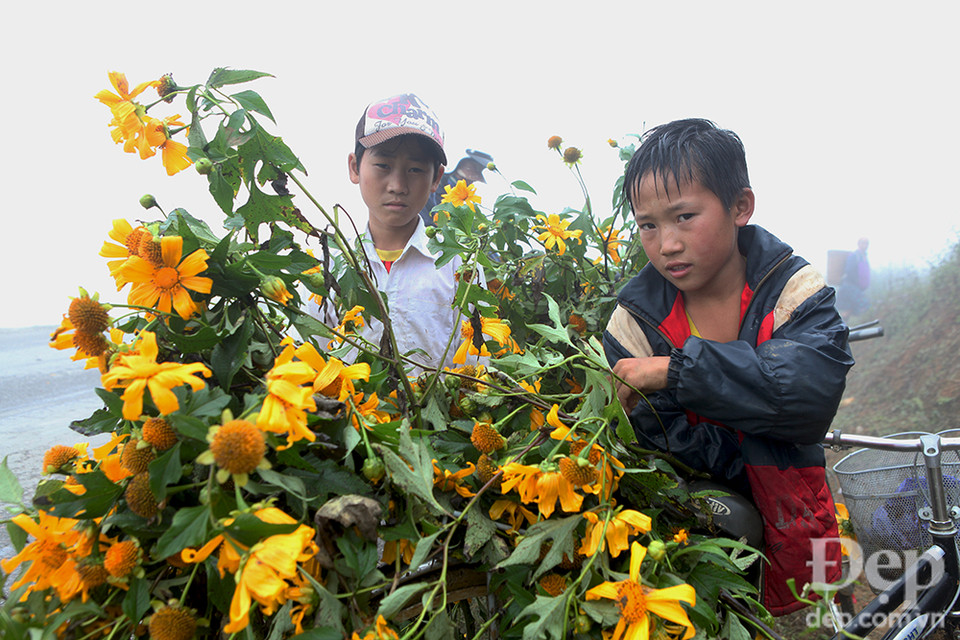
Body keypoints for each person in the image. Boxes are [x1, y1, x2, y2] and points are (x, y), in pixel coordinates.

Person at [602, 119, 854, 616]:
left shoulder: (794, 293)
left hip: (802, 532)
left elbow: (808, 398)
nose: (666, 244)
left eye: (684, 217)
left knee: (826, 622)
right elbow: (660, 447)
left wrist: (675, 374)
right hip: (693, 556)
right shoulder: (631, 325)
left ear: (741, 206)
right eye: (648, 225)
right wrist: (753, 420)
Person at [313, 93, 478, 373]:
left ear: (436, 178)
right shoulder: (330, 263)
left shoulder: (458, 264)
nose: (398, 185)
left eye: (415, 169)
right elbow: (308, 355)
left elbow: (477, 368)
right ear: (354, 167)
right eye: (383, 166)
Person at [419, 149, 494, 226]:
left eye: (470, 181)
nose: (468, 184)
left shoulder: (462, 203)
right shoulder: (430, 190)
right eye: (466, 179)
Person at [836, 237, 870, 318]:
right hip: (850, 286)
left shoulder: (863, 257)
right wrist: (857, 282)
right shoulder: (854, 256)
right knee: (863, 304)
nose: (865, 246)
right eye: (863, 243)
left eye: (867, 243)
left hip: (856, 287)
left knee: (852, 307)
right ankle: (841, 320)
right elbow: (849, 270)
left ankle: (842, 321)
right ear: (859, 244)